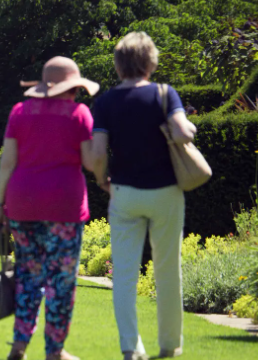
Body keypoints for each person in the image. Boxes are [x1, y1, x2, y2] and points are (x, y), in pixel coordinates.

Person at [91, 32, 196, 360]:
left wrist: (102, 180)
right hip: (166, 192)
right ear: (151, 61)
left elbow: (96, 154)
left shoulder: (106, 101)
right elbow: (182, 132)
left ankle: (130, 348)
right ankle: (169, 346)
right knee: (167, 270)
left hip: (124, 192)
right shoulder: (165, 94)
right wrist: (188, 127)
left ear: (118, 64)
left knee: (123, 274)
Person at [0, 56, 98, 360]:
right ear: (70, 88)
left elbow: (7, 164)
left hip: (22, 204)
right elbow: (91, 162)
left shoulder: (19, 112)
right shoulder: (80, 114)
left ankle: (19, 345)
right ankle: (55, 350)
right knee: (61, 281)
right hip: (64, 206)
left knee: (28, 277)